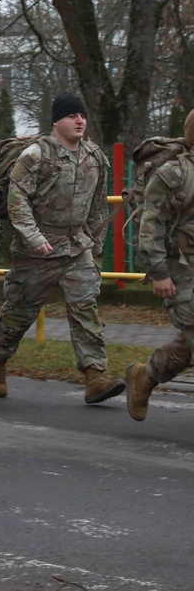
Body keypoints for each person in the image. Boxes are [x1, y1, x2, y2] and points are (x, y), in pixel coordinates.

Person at [0, 92, 123, 404]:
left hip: (76, 248)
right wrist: (33, 238)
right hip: (37, 251)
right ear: (56, 121)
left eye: (82, 116)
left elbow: (99, 205)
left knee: (85, 307)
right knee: (20, 313)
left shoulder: (94, 156)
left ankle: (94, 376)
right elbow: (16, 201)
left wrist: (95, 245)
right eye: (72, 116)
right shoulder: (35, 155)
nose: (79, 120)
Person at [124, 110, 194, 421]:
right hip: (178, 267)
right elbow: (150, 226)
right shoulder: (174, 174)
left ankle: (146, 376)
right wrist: (159, 273)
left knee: (188, 344)